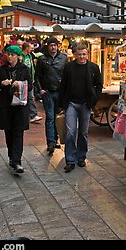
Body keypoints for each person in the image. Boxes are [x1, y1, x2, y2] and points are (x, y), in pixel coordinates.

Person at [59, 42, 103, 172]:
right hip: (71, 103)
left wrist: (94, 99)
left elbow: (99, 85)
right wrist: (61, 104)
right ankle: (70, 159)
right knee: (70, 132)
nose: (82, 57)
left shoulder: (93, 67)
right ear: (75, 55)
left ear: (87, 54)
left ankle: (81, 157)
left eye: (84, 54)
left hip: (86, 103)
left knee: (83, 132)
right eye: (79, 55)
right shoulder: (69, 67)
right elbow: (63, 86)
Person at [0, 45, 31, 174]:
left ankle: (17, 161)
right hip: (6, 105)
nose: (9, 57)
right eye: (8, 54)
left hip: (19, 105)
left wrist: (20, 84)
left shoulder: (24, 69)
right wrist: (2, 83)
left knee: (18, 132)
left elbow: (30, 86)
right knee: (9, 132)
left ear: (18, 56)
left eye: (12, 55)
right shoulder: (1, 69)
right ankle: (11, 157)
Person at [34, 36, 68, 154]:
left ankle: (55, 139)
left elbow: (66, 75)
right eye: (51, 45)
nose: (53, 47)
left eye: (54, 45)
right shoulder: (42, 59)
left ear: (57, 46)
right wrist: (40, 90)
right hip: (48, 92)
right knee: (50, 117)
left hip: (60, 91)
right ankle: (50, 143)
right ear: (48, 47)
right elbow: (37, 76)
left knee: (58, 116)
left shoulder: (63, 58)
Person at [22, 41, 42, 123]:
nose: (32, 49)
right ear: (26, 48)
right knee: (28, 98)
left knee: (30, 97)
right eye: (30, 48)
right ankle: (31, 114)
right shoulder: (21, 57)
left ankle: (31, 114)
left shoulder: (30, 56)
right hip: (24, 81)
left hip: (30, 80)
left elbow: (32, 67)